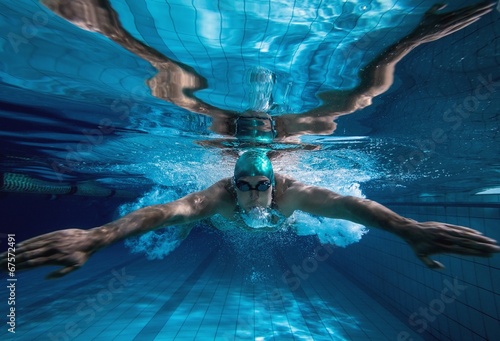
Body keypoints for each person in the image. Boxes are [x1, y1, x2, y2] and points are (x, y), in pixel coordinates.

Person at [2, 150, 499, 279]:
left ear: (277, 183)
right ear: (232, 184)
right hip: (208, 222)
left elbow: (352, 206)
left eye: (263, 185)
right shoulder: (215, 200)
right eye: (244, 186)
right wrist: (97, 237)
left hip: (297, 214)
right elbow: (158, 213)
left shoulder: (294, 195)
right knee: (177, 222)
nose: (255, 195)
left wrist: (408, 228)